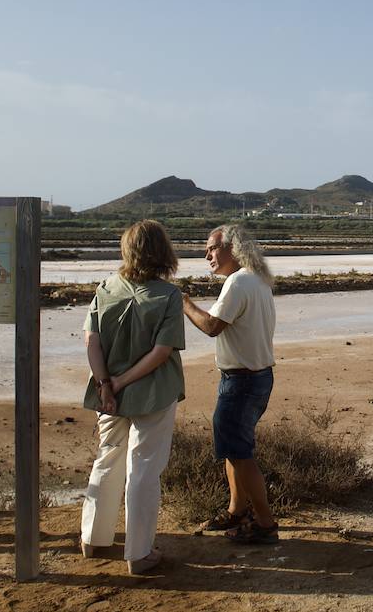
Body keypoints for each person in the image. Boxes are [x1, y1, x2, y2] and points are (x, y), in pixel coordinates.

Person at [80, 220, 187, 574]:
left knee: (108, 457)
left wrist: (105, 384)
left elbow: (91, 340)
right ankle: (138, 553)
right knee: (143, 467)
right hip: (152, 392)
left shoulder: (106, 287)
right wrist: (122, 381)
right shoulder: (169, 296)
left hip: (107, 391)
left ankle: (93, 539)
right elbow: (161, 352)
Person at [182, 224, 279, 545]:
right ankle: (237, 510)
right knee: (234, 449)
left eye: (212, 248)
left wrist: (184, 303)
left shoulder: (238, 283)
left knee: (239, 453)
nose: (206, 254)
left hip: (242, 381)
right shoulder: (258, 281)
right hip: (257, 376)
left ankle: (265, 522)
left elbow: (211, 326)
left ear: (232, 249)